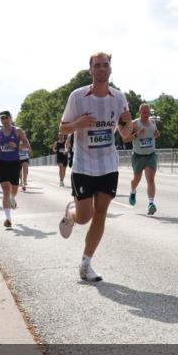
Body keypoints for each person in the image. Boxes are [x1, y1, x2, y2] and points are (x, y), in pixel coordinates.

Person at [57, 51, 133, 282]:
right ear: (90, 70)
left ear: (111, 69)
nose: (102, 69)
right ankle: (71, 214)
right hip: (83, 165)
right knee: (84, 217)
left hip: (108, 164)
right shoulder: (78, 97)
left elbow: (126, 134)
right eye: (97, 65)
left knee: (101, 213)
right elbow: (63, 129)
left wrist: (129, 123)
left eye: (105, 65)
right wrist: (78, 124)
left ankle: (86, 263)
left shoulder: (119, 98)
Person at [122, 103, 160, 215]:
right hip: (138, 156)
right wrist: (136, 134)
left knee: (151, 179)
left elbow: (156, 134)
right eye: (144, 112)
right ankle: (133, 192)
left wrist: (157, 134)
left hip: (150, 155)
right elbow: (125, 139)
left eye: (148, 112)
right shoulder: (134, 124)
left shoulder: (153, 122)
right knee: (136, 179)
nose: (146, 114)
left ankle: (151, 204)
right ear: (139, 112)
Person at [0, 111, 31, 228]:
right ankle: (8, 218)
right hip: (3, 163)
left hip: (15, 163)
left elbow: (27, 145)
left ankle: (12, 198)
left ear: (10, 119)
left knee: (14, 191)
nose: (4, 120)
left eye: (6, 118)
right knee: (5, 190)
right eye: (2, 119)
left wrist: (17, 146)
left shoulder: (18, 131)